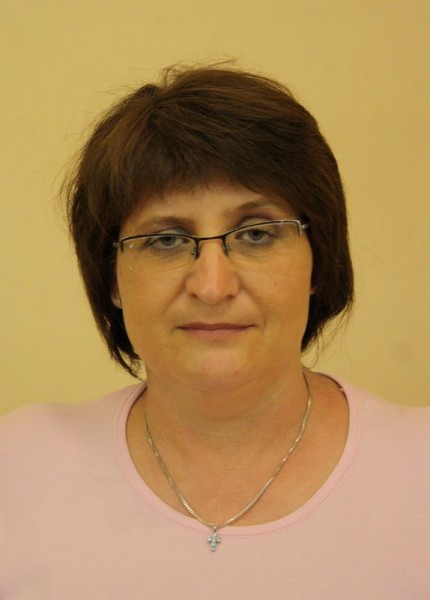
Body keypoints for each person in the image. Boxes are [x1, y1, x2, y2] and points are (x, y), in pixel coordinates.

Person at [0, 64, 429, 599]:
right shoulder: (18, 466)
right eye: (165, 240)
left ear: (318, 262)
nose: (212, 285)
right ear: (112, 279)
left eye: (256, 234)